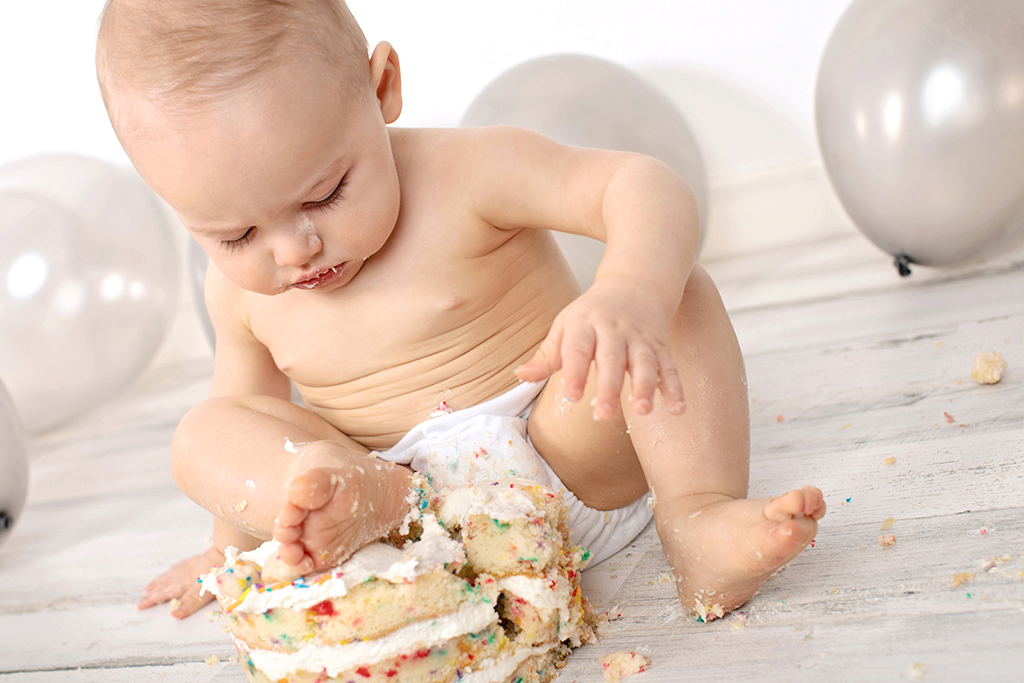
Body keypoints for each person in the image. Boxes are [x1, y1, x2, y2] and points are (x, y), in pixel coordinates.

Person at [95, 0, 826, 622]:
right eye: (237, 234)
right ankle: (364, 493)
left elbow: (637, 182)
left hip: (568, 456)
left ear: (381, 87)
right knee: (203, 431)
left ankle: (696, 513)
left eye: (323, 194)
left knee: (678, 291)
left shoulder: (469, 171)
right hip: (401, 520)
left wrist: (629, 289)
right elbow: (250, 422)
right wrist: (229, 546)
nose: (293, 250)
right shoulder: (238, 293)